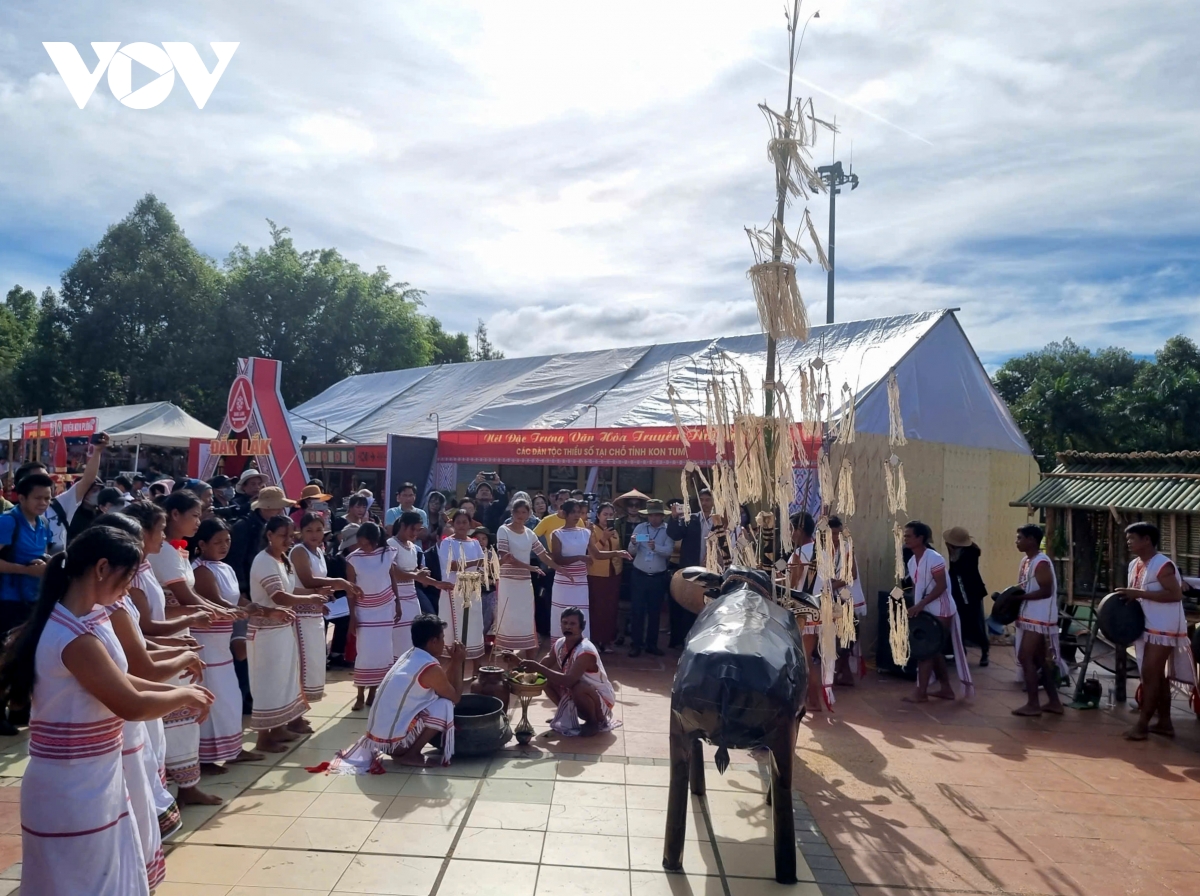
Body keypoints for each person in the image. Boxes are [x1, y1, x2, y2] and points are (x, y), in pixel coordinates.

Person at [0, 525, 213, 896]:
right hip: (72, 787)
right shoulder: (73, 637)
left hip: (93, 777)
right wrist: (184, 696)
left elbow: (121, 680)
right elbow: (130, 704)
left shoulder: (84, 620)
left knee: (105, 879)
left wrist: (177, 691)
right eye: (127, 578)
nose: (128, 589)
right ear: (101, 569)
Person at [92, 511, 196, 889]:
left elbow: (137, 651)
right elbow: (138, 668)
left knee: (140, 794)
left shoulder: (110, 602)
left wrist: (178, 657)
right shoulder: (91, 619)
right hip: (113, 730)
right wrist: (182, 681)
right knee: (128, 808)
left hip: (129, 714)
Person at [148, 489, 235, 806]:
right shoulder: (163, 552)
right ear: (174, 515)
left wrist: (218, 609)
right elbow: (185, 598)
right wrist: (218, 610)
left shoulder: (175, 551)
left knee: (183, 714)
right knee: (176, 712)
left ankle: (187, 783)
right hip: (166, 637)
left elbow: (190, 597)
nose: (199, 521)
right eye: (195, 515)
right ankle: (178, 785)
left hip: (179, 633)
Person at [329, 614, 466, 772]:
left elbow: (443, 685)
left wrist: (454, 661)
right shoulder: (430, 668)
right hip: (395, 744)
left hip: (379, 740)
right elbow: (454, 697)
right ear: (433, 641)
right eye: (442, 638)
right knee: (445, 705)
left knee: (439, 701)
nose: (444, 643)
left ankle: (407, 750)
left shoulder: (410, 655)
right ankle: (411, 755)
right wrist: (457, 662)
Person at [190, 517, 263, 769]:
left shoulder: (226, 568)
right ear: (202, 544)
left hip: (221, 644)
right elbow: (216, 602)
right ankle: (206, 756)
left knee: (230, 698)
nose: (224, 546)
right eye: (217, 542)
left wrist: (252, 607)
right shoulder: (200, 570)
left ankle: (233, 748)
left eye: (227, 541)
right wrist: (243, 611)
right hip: (206, 643)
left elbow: (236, 598)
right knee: (214, 697)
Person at [1117, 522, 1195, 740]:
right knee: (1156, 676)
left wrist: (1139, 594)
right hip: (1146, 625)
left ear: (1147, 540)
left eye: (1132, 538)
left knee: (1151, 675)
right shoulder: (1134, 564)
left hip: (1163, 626)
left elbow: (1176, 595)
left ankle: (1142, 725)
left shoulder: (1162, 565)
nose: (1128, 542)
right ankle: (1164, 723)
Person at [247, 516, 310, 751]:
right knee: (268, 682)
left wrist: (316, 594)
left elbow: (290, 590)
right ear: (269, 535)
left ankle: (280, 727)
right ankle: (264, 738)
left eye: (291, 535)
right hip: (266, 632)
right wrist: (311, 599)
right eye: (283, 535)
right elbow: (279, 597)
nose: (288, 540)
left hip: (282, 629)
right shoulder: (263, 561)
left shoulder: (283, 559)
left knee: (283, 680)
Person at [0, 472, 54, 733]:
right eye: (37, 498)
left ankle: (19, 708)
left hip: (33, 599)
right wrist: (25, 570)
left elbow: (43, 553)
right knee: (4, 656)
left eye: (47, 498)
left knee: (26, 655)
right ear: (20, 498)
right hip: (7, 600)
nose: (43, 503)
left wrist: (44, 563)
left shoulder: (42, 523)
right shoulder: (8, 522)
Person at [903, 520, 975, 703]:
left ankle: (921, 692)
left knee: (927, 649)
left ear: (920, 538)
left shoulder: (935, 558)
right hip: (926, 609)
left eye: (909, 536)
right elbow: (916, 586)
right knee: (934, 651)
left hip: (941, 609)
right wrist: (915, 605)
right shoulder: (912, 561)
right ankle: (946, 689)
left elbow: (941, 586)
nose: (905, 539)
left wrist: (919, 605)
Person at [520, 607, 617, 737]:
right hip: (577, 693)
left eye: (572, 624)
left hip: (601, 700)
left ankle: (593, 722)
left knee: (578, 687)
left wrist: (538, 668)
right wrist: (518, 663)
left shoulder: (585, 651)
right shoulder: (560, 643)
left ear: (582, 626)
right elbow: (542, 665)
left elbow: (569, 680)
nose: (568, 627)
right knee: (545, 679)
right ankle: (565, 715)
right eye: (565, 623)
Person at [291, 512, 355, 701]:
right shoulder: (299, 551)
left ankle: (305, 704)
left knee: (315, 659)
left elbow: (320, 583)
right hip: (300, 612)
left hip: (316, 611)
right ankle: (297, 704)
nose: (314, 534)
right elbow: (308, 580)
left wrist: (328, 594)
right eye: (309, 530)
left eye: (318, 530)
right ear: (301, 531)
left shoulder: (319, 551)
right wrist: (339, 583)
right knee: (303, 660)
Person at [1011, 524, 1065, 717]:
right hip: (1030, 615)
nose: (1017, 541)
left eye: (1020, 538)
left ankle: (1033, 704)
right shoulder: (1027, 560)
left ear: (1032, 540)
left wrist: (1019, 598)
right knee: (1039, 659)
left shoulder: (1041, 562)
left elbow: (1046, 591)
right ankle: (1054, 702)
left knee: (1025, 657)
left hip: (1039, 616)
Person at [346, 522, 398, 711]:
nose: (363, 546)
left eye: (367, 543)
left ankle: (373, 692)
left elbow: (392, 578)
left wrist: (398, 603)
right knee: (365, 652)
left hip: (385, 608)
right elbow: (350, 591)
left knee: (383, 651)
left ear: (375, 541)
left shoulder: (387, 553)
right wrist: (353, 617)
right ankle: (360, 694)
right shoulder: (353, 559)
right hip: (364, 610)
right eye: (360, 542)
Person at [496, 498, 555, 656]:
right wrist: (530, 568)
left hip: (524, 583)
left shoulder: (530, 533)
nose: (520, 515)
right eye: (517, 512)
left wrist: (560, 569)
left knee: (526, 618)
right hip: (508, 581)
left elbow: (543, 555)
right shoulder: (503, 530)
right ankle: (507, 657)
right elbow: (507, 557)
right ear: (512, 513)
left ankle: (528, 663)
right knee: (508, 617)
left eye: (524, 512)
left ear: (529, 514)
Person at [390, 512, 450, 654]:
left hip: (412, 598)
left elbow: (417, 574)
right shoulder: (391, 544)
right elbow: (393, 572)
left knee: (412, 636)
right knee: (399, 638)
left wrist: (438, 584)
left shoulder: (413, 547)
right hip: (396, 598)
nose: (415, 533)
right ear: (403, 526)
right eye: (413, 529)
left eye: (418, 530)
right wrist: (416, 575)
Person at [438, 509, 487, 672]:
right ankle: (452, 670)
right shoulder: (447, 543)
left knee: (474, 626)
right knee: (453, 629)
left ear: (470, 524)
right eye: (458, 522)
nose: (461, 525)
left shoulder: (475, 543)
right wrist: (474, 563)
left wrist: (481, 571)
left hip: (472, 591)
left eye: (464, 522)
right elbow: (451, 565)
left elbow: (482, 565)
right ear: (453, 524)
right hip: (453, 591)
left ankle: (477, 668)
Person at [667, 488, 715, 646]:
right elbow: (674, 534)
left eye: (708, 500)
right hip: (691, 570)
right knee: (687, 605)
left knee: (706, 606)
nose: (705, 503)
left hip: (712, 571)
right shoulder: (690, 519)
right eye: (702, 500)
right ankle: (683, 641)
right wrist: (674, 517)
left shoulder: (719, 521)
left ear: (713, 501)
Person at [626, 498, 673, 657]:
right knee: (637, 610)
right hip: (639, 575)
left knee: (655, 612)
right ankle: (636, 644)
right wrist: (633, 543)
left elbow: (668, 551)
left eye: (657, 515)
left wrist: (655, 547)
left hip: (658, 577)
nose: (654, 518)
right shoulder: (640, 528)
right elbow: (631, 551)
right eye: (651, 515)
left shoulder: (667, 530)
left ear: (662, 516)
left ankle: (651, 644)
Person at [828, 516, 868, 687]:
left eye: (837, 533)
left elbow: (852, 575)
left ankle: (840, 671)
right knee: (839, 636)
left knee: (846, 636)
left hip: (845, 596)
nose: (835, 537)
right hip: (833, 597)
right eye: (832, 534)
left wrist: (830, 586)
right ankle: (843, 673)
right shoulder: (822, 549)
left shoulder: (846, 548)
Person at [944, 526, 990, 667]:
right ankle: (960, 650)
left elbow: (964, 570)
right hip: (956, 589)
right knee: (958, 620)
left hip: (971, 590)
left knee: (975, 620)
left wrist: (953, 555)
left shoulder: (972, 552)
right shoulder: (953, 550)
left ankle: (984, 650)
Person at [587, 503, 629, 653]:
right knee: (597, 607)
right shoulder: (592, 530)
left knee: (611, 608)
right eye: (605, 514)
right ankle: (595, 640)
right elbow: (593, 552)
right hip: (597, 574)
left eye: (611, 515)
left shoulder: (614, 530)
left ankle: (607, 640)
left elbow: (618, 549)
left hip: (614, 573)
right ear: (598, 515)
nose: (608, 517)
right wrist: (604, 538)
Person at [549, 500, 591, 634]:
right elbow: (557, 559)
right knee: (562, 613)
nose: (577, 515)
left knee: (580, 613)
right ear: (565, 514)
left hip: (581, 581)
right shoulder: (557, 534)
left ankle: (580, 645)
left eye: (579, 512)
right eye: (573, 512)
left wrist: (617, 553)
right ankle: (560, 644)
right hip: (563, 581)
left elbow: (597, 554)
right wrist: (579, 557)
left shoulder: (586, 532)